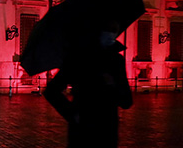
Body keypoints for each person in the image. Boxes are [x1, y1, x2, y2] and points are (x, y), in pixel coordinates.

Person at [44, 20, 132, 148]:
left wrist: (112, 85)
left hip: (106, 131)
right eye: (107, 29)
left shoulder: (116, 60)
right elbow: (52, 91)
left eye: (114, 30)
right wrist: (73, 114)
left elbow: (127, 101)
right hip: (83, 130)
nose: (110, 34)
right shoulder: (78, 58)